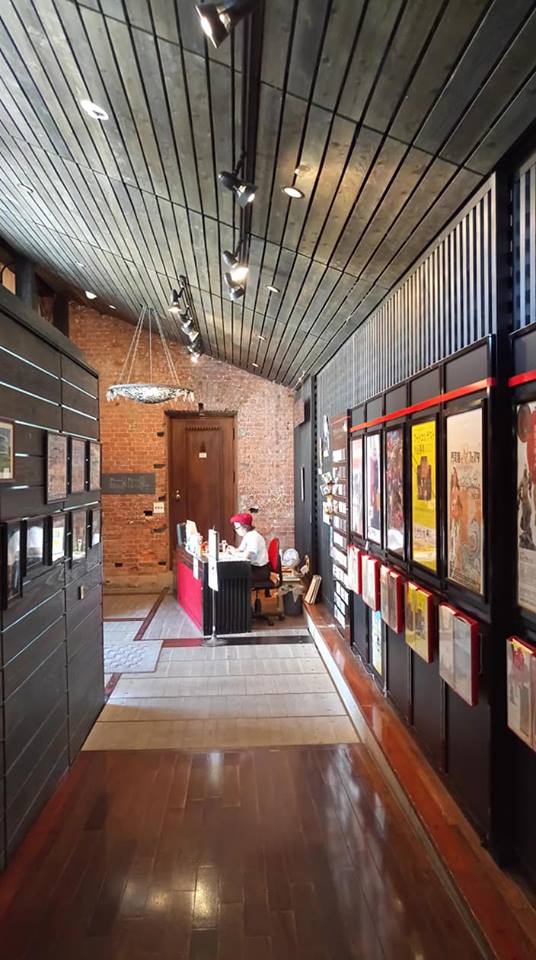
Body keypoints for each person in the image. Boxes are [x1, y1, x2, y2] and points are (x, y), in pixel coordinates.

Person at [227, 512, 271, 583]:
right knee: (230, 572)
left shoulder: (253, 536)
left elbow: (248, 556)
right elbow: (240, 550)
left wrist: (234, 553)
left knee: (230, 575)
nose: (236, 530)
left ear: (245, 527)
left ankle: (238, 590)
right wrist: (233, 550)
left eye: (237, 528)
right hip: (255, 568)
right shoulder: (247, 535)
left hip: (260, 571)